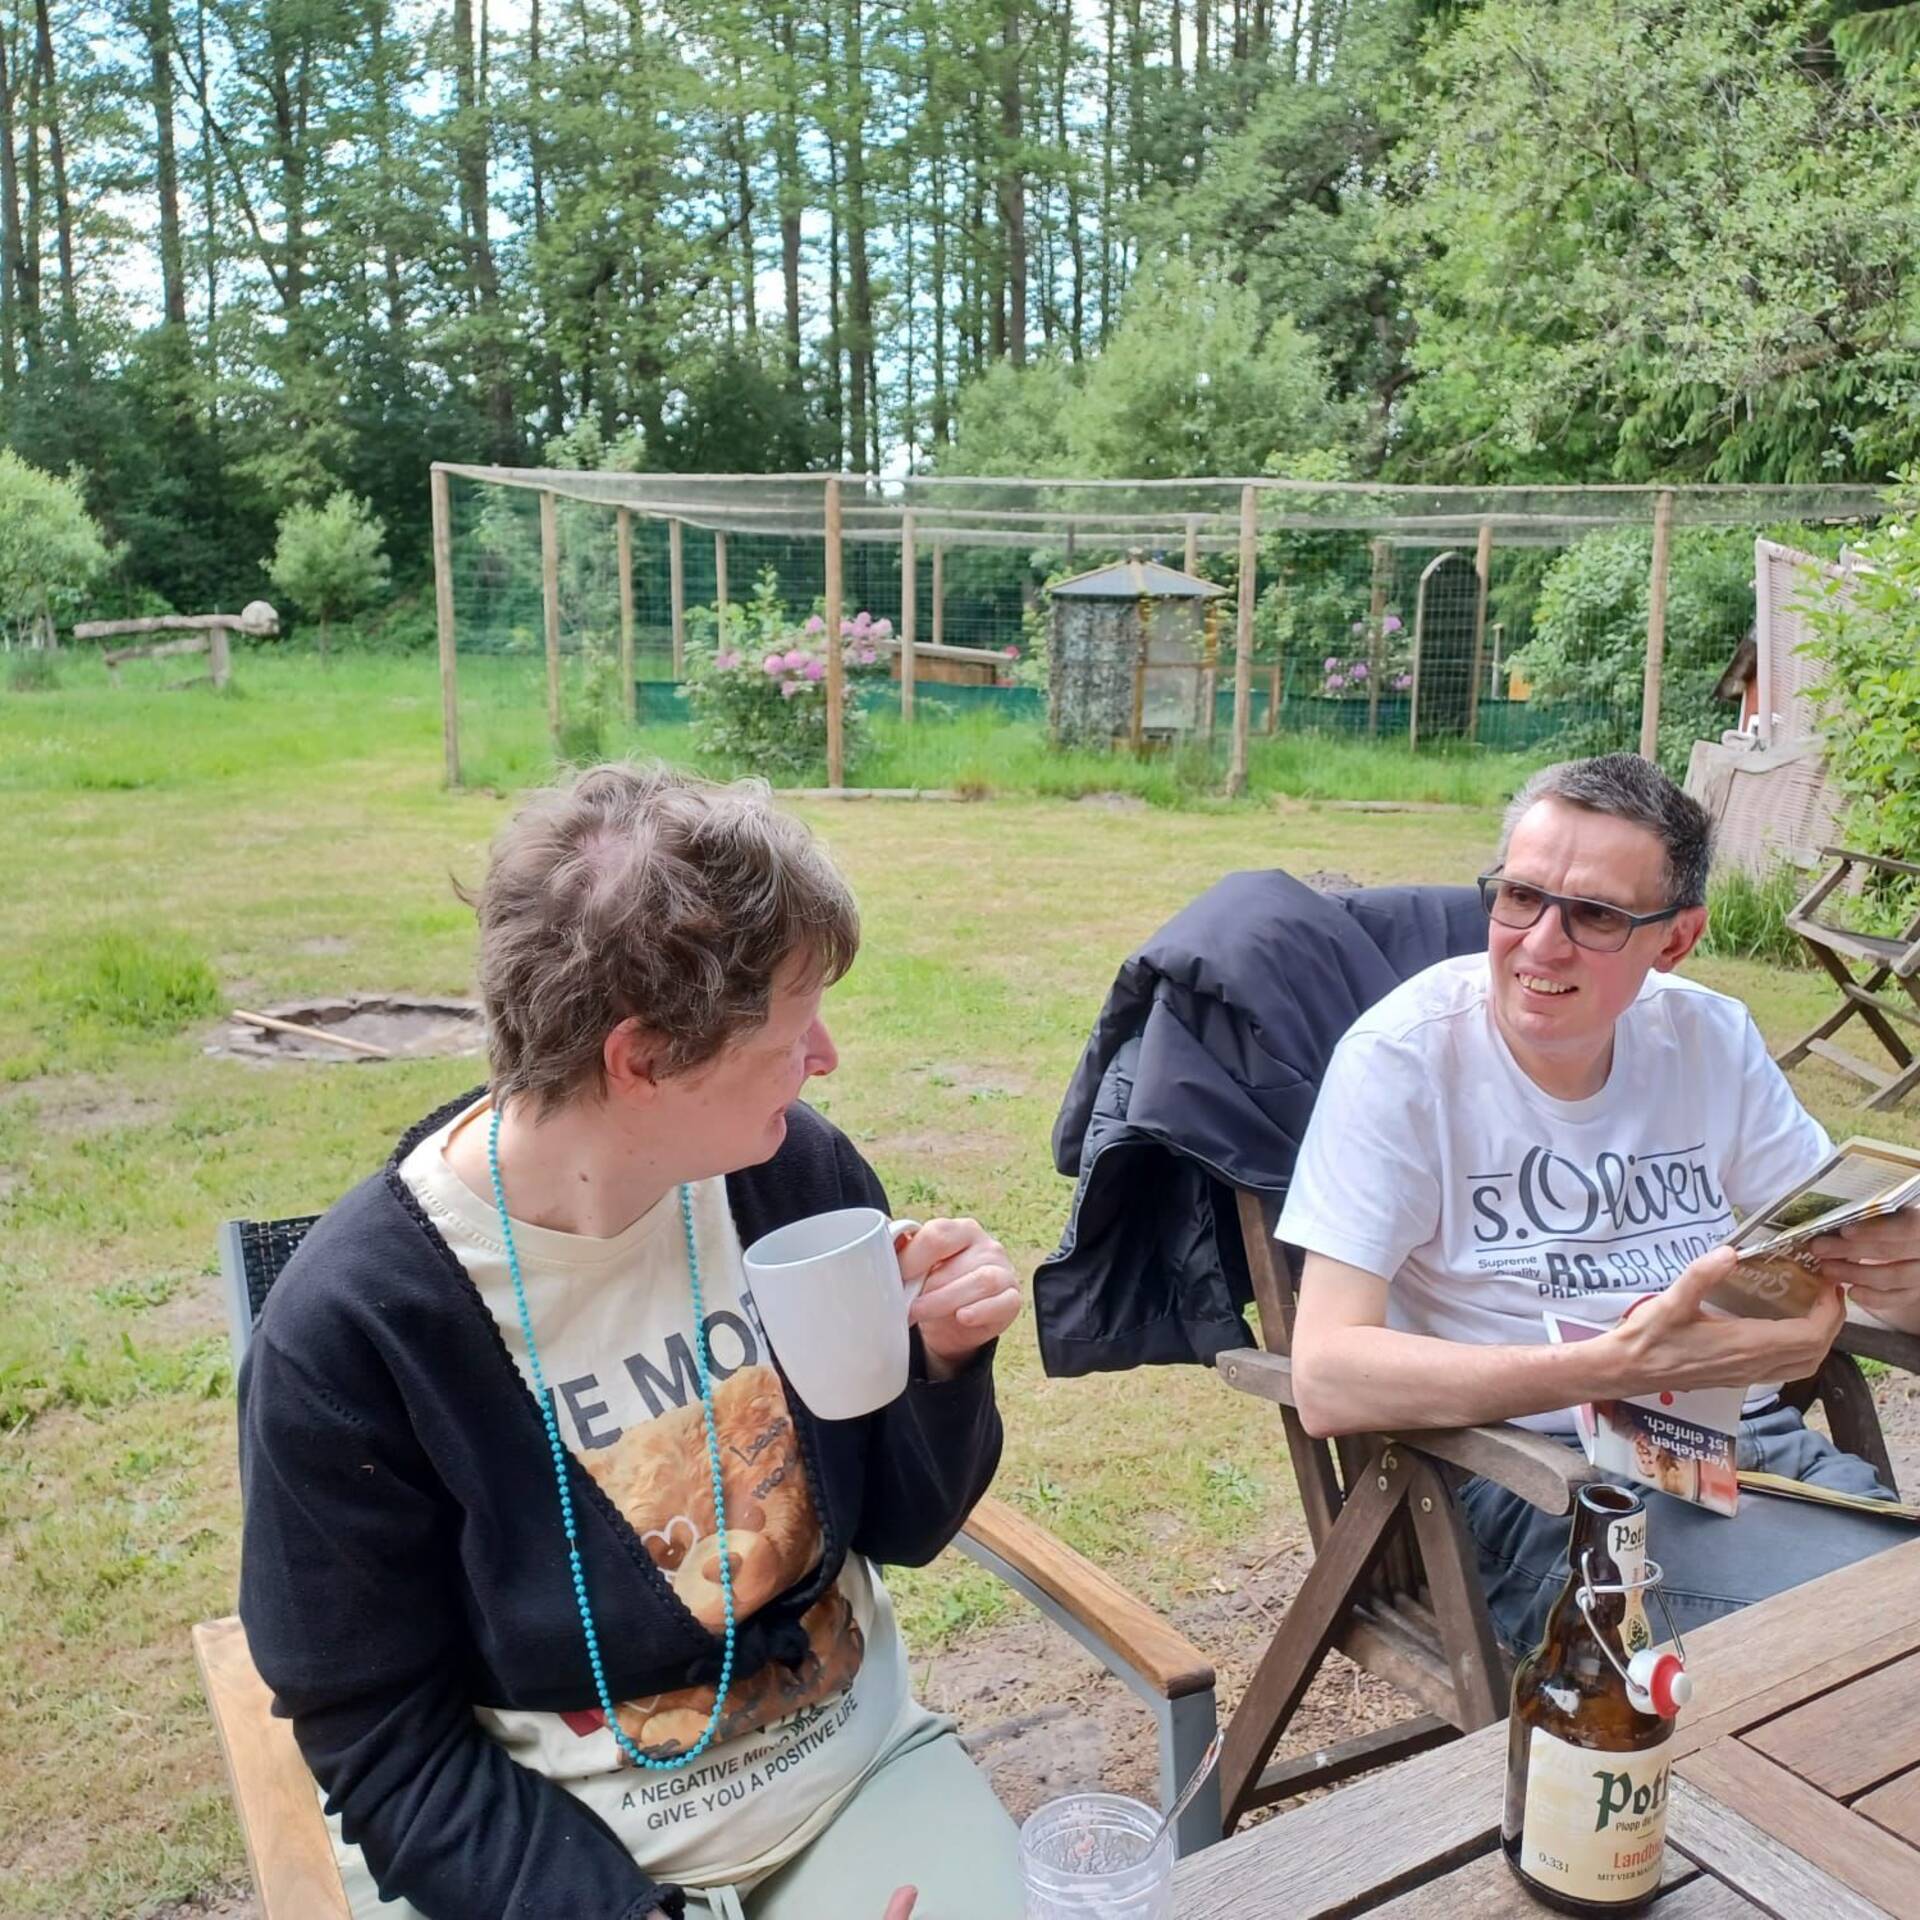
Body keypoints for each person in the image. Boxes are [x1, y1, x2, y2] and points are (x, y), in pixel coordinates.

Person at [238, 764, 1027, 1920]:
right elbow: (381, 1742)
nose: (827, 1061)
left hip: (851, 1782)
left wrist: (944, 1367)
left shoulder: (794, 1182)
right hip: (548, 1857)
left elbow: (906, 1527)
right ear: (644, 1057)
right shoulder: (356, 1333)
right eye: (794, 1027)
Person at [1279, 753, 1920, 1651]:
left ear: (1675, 938)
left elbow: (1842, 1245)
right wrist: (1611, 1368)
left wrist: (1892, 1276)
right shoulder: (1407, 1060)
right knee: (1865, 1643)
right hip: (1541, 1486)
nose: (1542, 942)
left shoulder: (1708, 1038)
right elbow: (1327, 1376)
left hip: (1743, 1450)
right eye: (1520, 897)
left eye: (1596, 915)